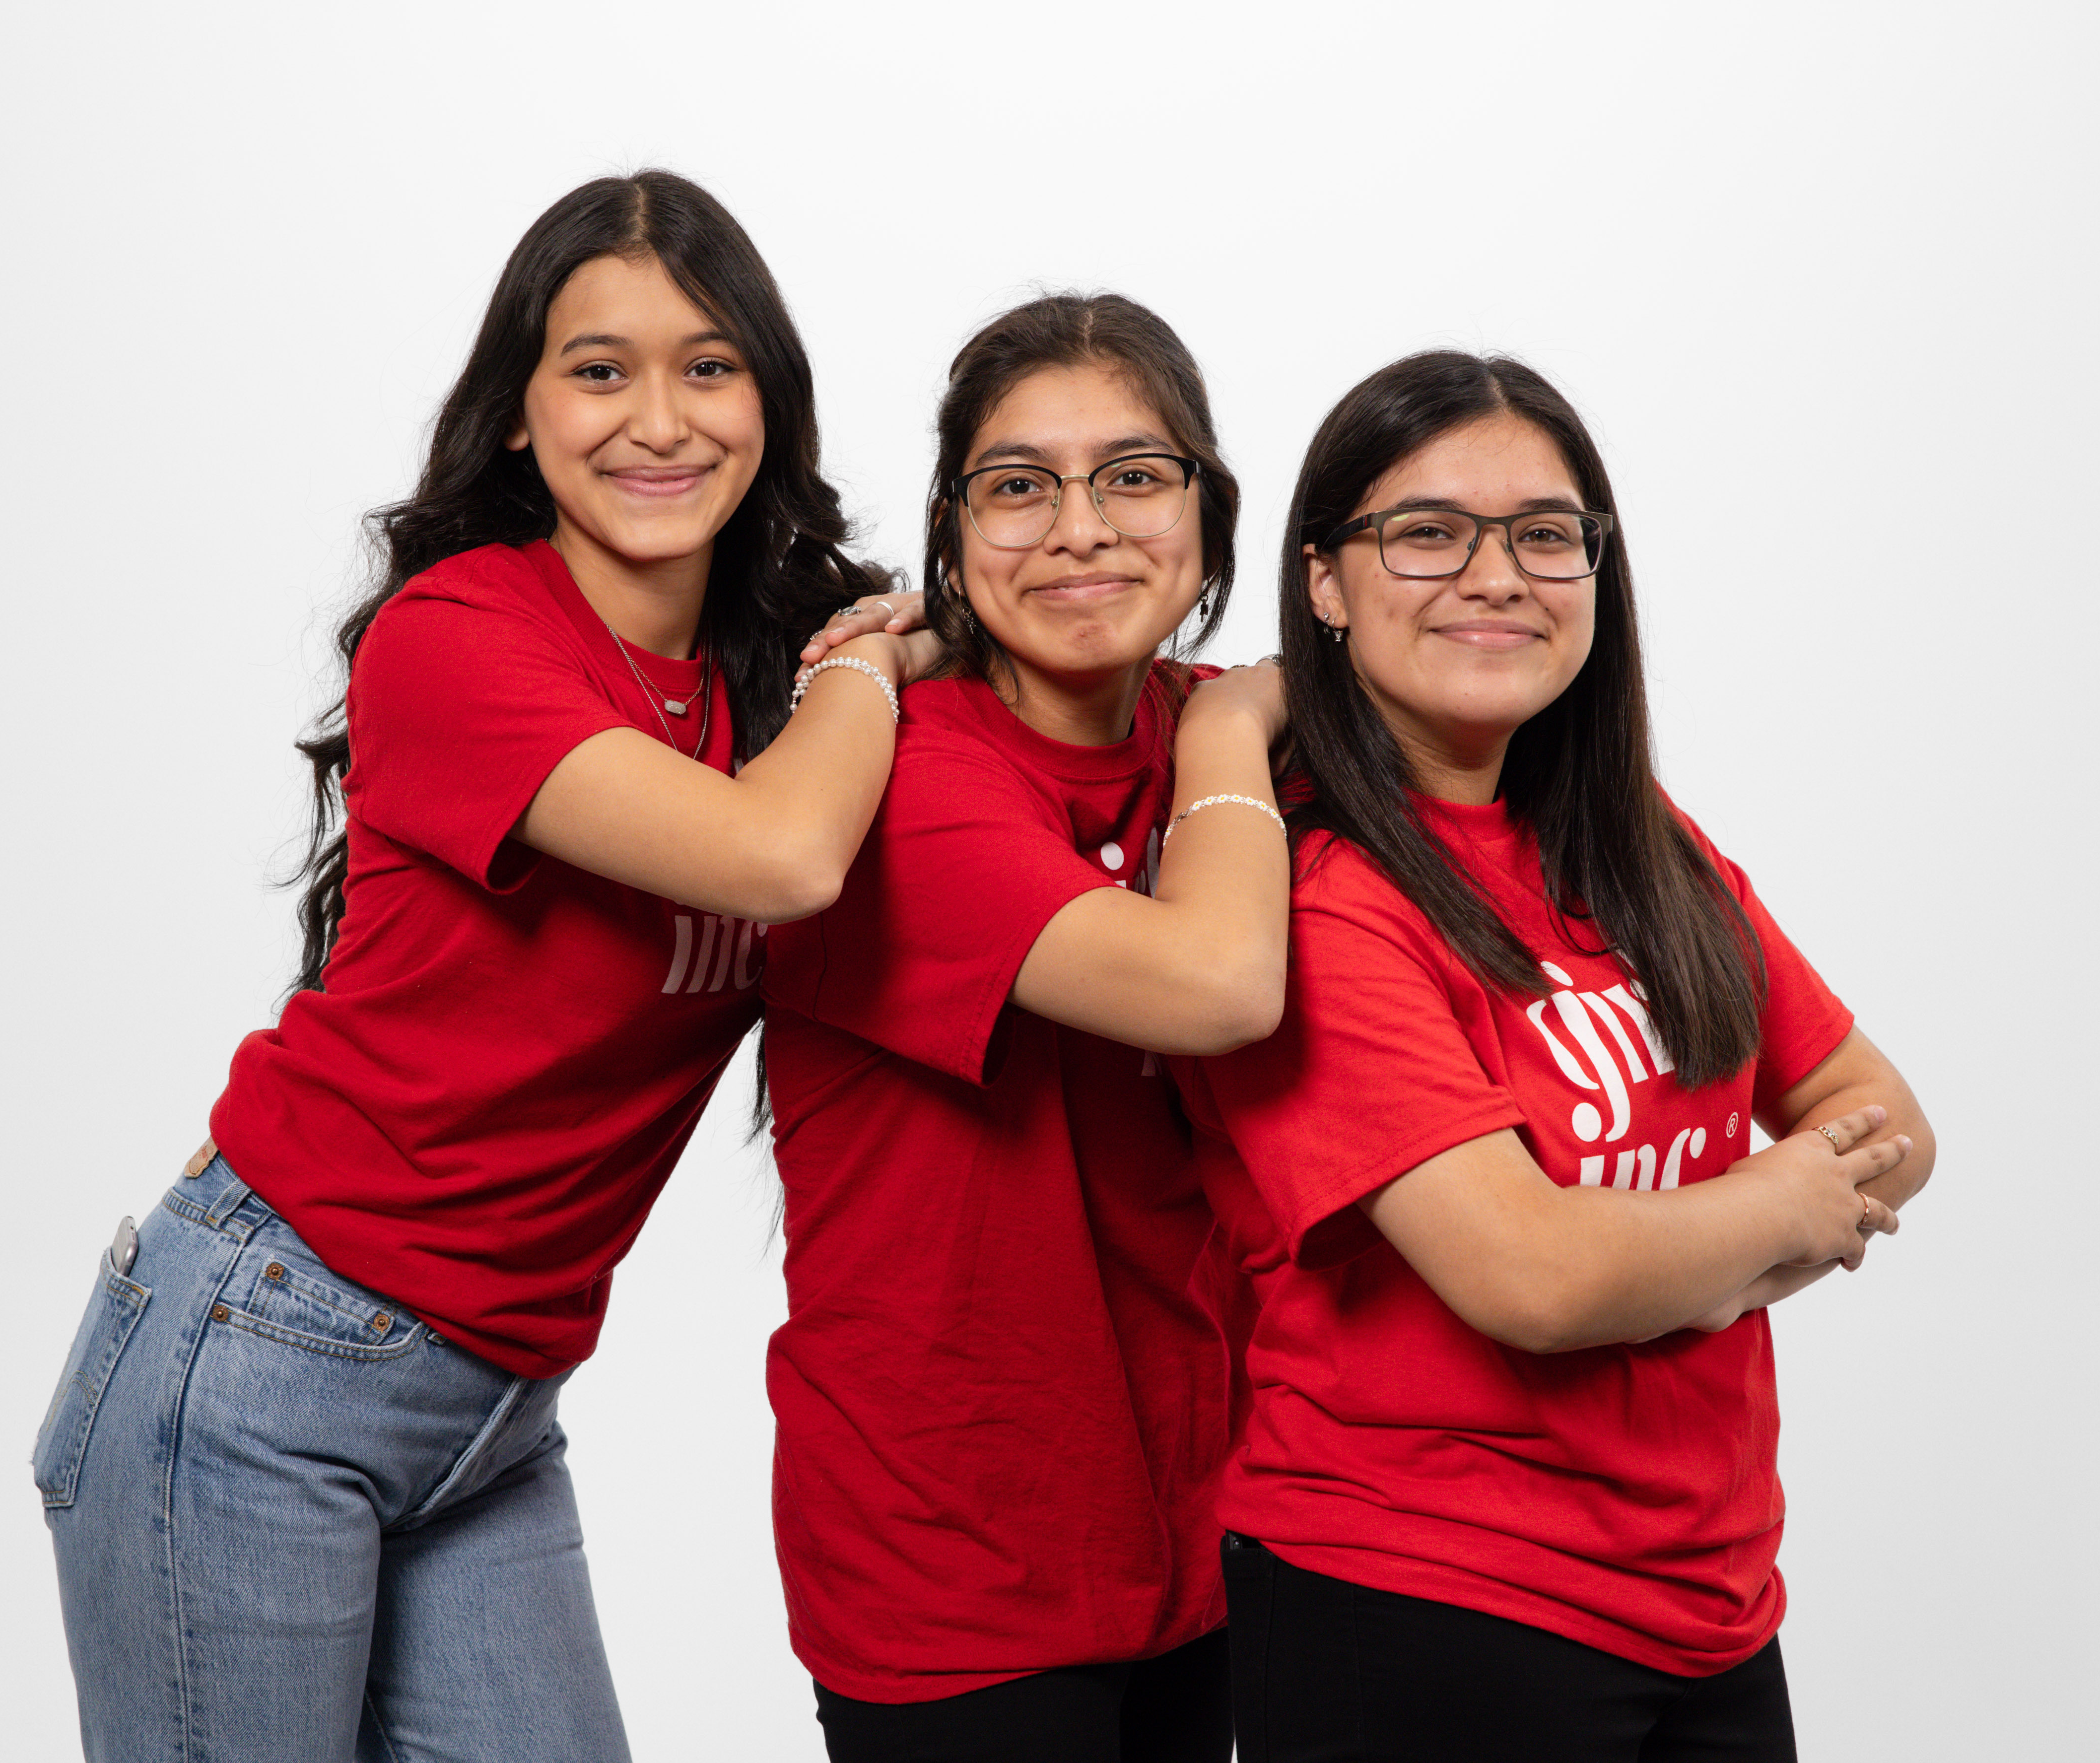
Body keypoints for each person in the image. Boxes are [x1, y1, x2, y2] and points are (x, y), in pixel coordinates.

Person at [30, 170, 931, 1762]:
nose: (659, 419)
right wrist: (872, 658)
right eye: (599, 370)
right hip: (267, 1369)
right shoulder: (459, 639)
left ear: (768, 402)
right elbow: (778, 860)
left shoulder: (759, 677)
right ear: (518, 414)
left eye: (708, 367)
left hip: (493, 1405)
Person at [1176, 351, 1938, 1763]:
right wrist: (1769, 1218)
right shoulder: (1325, 900)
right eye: (1426, 532)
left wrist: (1665, 1273)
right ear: (1325, 583)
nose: (1496, 575)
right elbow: (1530, 1279)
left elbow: (1884, 1116)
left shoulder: (1637, 842)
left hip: (1712, 1599)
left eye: (1544, 534)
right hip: (1424, 1607)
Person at [760, 292, 1291, 1763]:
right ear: (952, 529)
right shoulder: (901, 780)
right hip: (957, 1575)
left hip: (1206, 1535)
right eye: (1020, 487)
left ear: (1206, 508)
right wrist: (1237, 734)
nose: (1081, 529)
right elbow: (1218, 987)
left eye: (1135, 475)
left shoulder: (1205, 727)